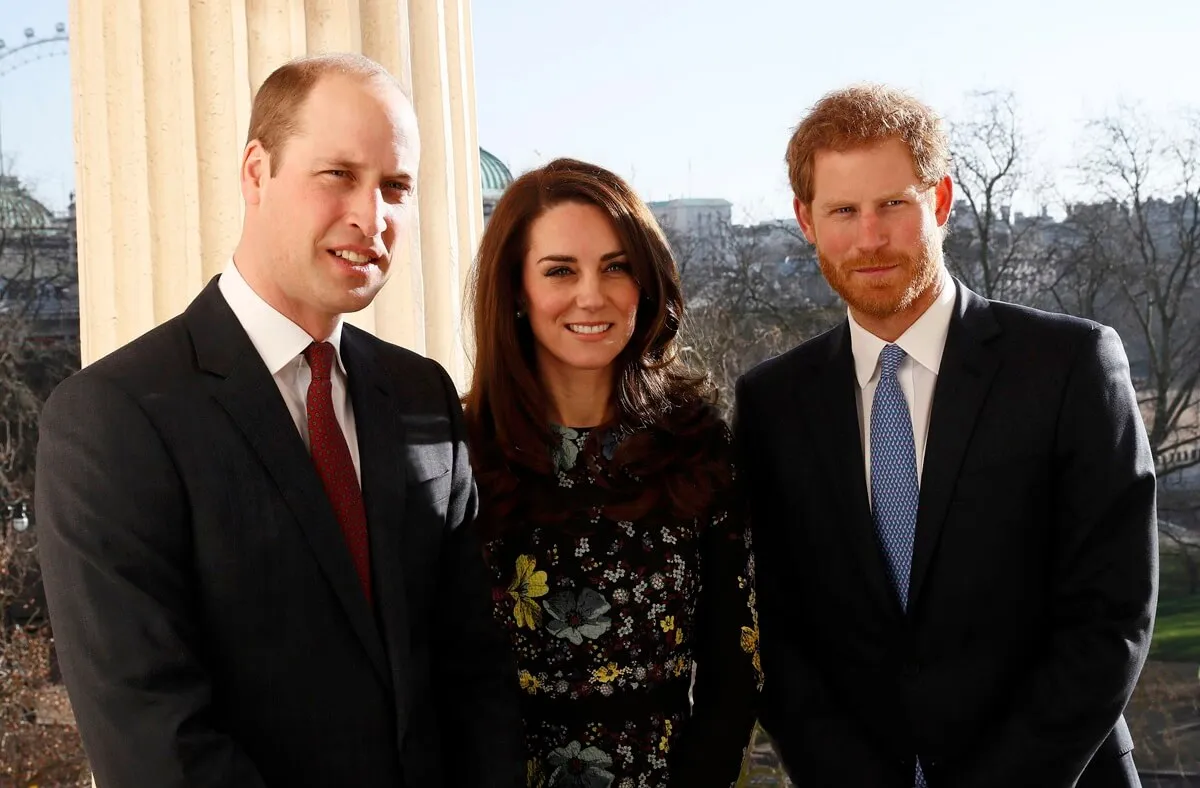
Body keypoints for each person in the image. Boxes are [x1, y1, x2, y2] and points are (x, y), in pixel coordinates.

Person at [35, 53, 523, 788]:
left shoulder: (422, 396)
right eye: (338, 175)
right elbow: (154, 740)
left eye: (395, 187)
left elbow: (473, 677)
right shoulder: (112, 419)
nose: (372, 216)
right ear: (256, 173)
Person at [736, 84, 1157, 787]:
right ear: (806, 221)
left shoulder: (1069, 366)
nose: (869, 237)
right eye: (843, 210)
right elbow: (778, 632)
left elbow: (1110, 617)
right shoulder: (772, 403)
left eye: (893, 204)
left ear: (939, 201)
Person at [462, 157, 761, 787]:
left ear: (645, 282)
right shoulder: (462, 450)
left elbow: (735, 660)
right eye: (560, 271)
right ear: (517, 289)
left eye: (616, 266)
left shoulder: (698, 442)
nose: (591, 296)